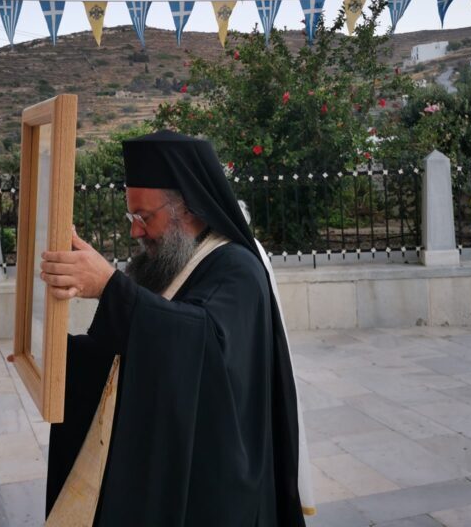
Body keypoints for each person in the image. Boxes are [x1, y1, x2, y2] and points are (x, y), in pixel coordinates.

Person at [39, 130, 313, 526]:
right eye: (131, 216)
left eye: (144, 217)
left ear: (188, 207)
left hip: (211, 479)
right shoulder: (164, 265)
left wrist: (111, 288)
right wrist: (57, 357)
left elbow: (203, 345)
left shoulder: (237, 268)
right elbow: (133, 346)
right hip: (171, 462)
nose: (135, 230)